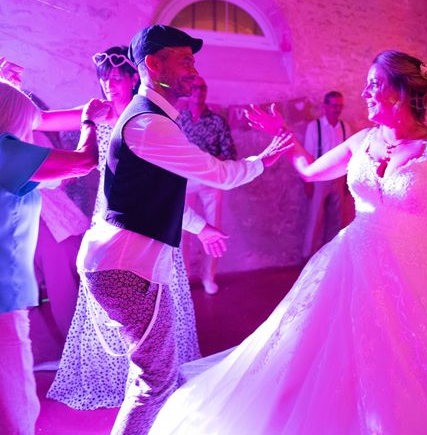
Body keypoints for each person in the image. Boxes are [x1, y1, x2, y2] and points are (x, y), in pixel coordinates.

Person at [150, 50, 427, 435]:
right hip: (351, 262)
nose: (365, 92)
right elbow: (311, 170)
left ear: (402, 93)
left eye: (374, 84)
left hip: (413, 271)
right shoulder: (363, 139)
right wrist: (283, 136)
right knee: (333, 357)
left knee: (402, 368)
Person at [76, 25, 291, 435]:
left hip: (123, 263)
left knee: (152, 376)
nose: (194, 70)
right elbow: (218, 173)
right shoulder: (147, 124)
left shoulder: (154, 120)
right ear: (152, 65)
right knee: (154, 384)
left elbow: (156, 193)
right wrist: (264, 158)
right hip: (125, 268)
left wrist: (202, 226)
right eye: (185, 60)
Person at [48, 46, 201, 409]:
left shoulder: (145, 118)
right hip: (109, 213)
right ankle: (120, 378)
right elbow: (42, 120)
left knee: (154, 292)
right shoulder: (97, 116)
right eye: (104, 78)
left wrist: (200, 225)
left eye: (116, 78)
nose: (108, 85)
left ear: (133, 78)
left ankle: (158, 372)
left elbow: (168, 179)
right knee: (114, 299)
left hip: (144, 216)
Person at [0, 80, 99, 435]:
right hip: (3, 295)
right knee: (15, 404)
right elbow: (83, 162)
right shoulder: (6, 153)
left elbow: (42, 123)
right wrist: (89, 122)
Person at [176, 75, 237, 295]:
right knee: (182, 227)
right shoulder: (178, 119)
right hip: (184, 179)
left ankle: (208, 277)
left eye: (203, 88)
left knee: (213, 227)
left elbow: (230, 153)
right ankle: (182, 279)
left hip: (211, 180)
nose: (198, 92)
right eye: (194, 88)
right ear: (188, 91)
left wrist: (211, 162)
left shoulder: (217, 121)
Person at [302, 91, 350, 257]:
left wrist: (347, 182)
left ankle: (331, 256)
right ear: (325, 106)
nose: (337, 109)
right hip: (319, 178)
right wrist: (307, 182)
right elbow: (308, 155)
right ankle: (308, 256)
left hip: (338, 177)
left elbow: (349, 156)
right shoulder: (314, 127)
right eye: (334, 105)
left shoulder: (345, 127)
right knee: (315, 217)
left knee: (337, 219)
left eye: (340, 106)